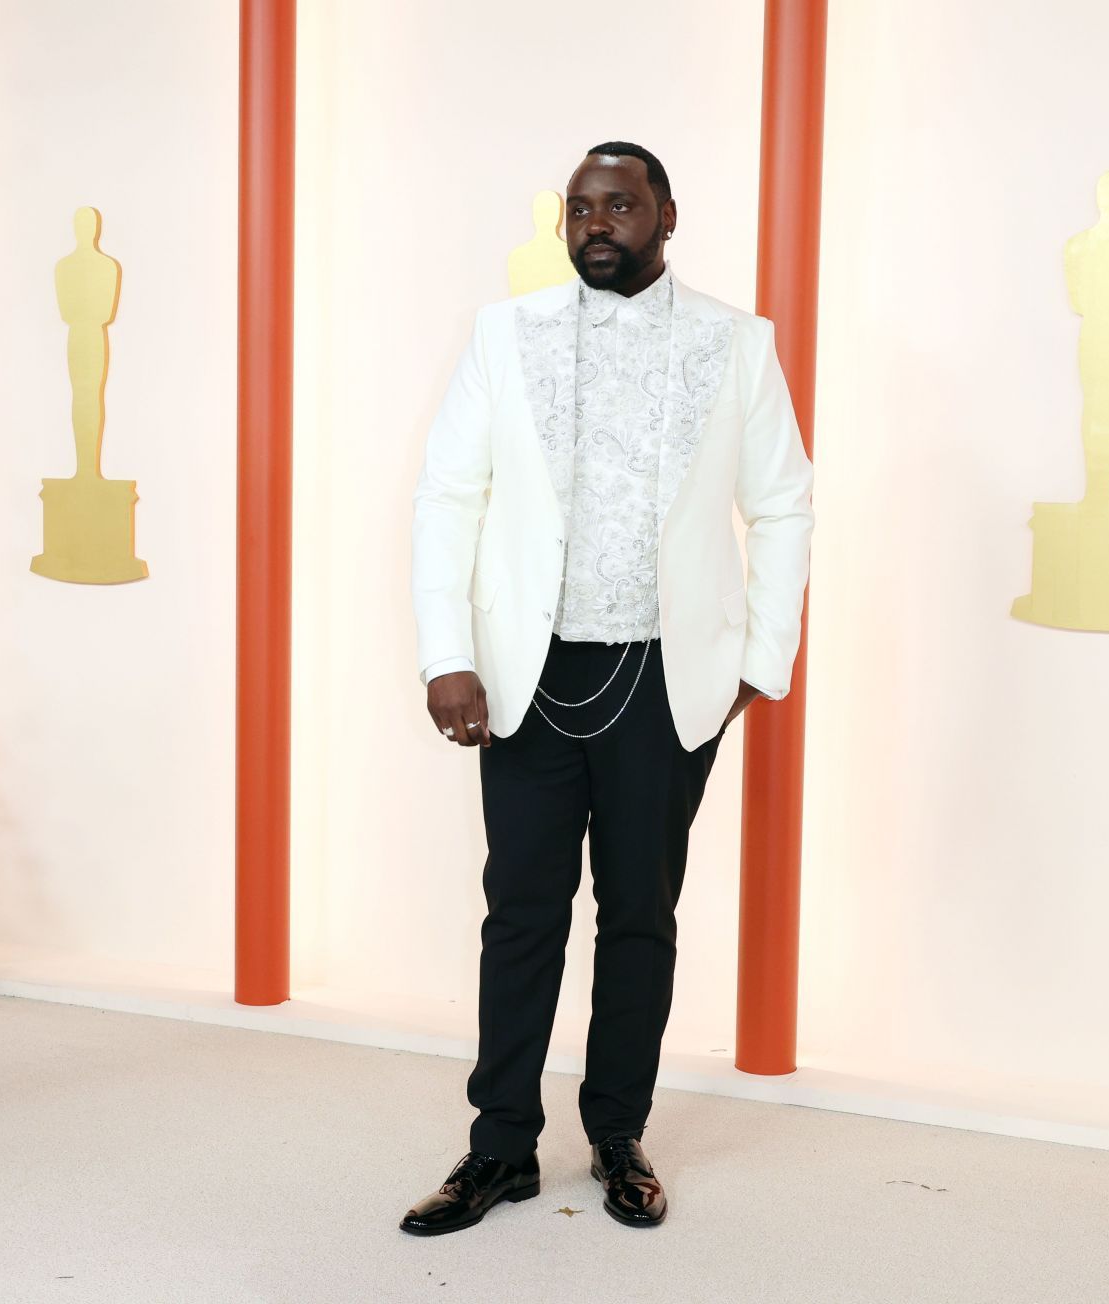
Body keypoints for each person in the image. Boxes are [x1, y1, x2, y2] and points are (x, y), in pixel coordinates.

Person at [402, 141, 814, 1234]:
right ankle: (499, 1149)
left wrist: (758, 664)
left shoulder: (737, 342)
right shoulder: (505, 334)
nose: (596, 223)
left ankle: (618, 1132)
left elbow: (785, 505)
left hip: (667, 676)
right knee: (521, 914)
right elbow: (448, 494)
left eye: (619, 204)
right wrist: (448, 649)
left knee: (641, 914)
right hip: (525, 676)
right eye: (580, 207)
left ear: (666, 214)